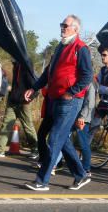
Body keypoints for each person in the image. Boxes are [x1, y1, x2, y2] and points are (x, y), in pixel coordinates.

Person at [21, 15, 93, 191]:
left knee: (55, 138)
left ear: (75, 29)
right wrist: (35, 88)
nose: (62, 28)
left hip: (69, 100)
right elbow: (49, 71)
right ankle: (81, 174)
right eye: (61, 24)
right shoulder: (60, 47)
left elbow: (87, 76)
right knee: (62, 139)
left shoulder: (81, 48)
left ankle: (42, 180)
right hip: (54, 98)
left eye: (65, 25)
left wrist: (71, 92)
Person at [0, 59, 39, 157]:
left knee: (28, 126)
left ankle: (35, 150)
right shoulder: (16, 65)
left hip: (24, 103)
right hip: (13, 101)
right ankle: (0, 150)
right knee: (6, 124)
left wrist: (28, 99)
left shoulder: (27, 65)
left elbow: (35, 87)